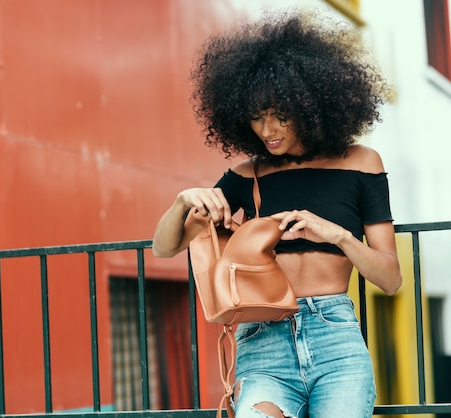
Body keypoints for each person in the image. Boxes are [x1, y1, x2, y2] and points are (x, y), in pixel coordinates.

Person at [152, 9, 402, 418]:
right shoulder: (245, 174)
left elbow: (390, 279)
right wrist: (182, 202)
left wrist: (336, 235)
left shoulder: (361, 163)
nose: (267, 129)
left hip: (334, 339)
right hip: (262, 343)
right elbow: (163, 248)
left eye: (280, 114)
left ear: (311, 104)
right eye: (256, 116)